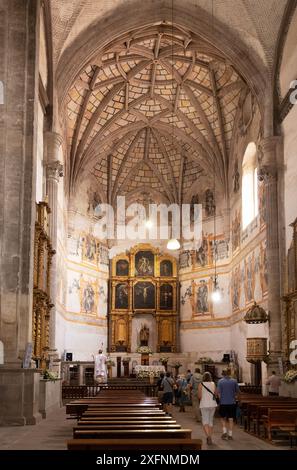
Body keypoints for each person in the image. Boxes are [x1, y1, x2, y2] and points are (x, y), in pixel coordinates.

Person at [217, 368, 240, 440]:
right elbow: (238, 391)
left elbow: (218, 393)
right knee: (231, 419)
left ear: (223, 373)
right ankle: (230, 434)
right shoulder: (234, 381)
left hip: (223, 402)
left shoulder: (220, 381)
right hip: (232, 402)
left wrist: (220, 400)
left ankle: (224, 432)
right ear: (230, 373)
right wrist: (236, 398)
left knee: (222, 418)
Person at [198, 372, 218, 446]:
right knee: (211, 421)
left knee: (205, 421)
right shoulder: (213, 384)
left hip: (204, 404)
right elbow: (216, 394)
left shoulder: (201, 384)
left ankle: (208, 437)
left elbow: (199, 396)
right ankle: (210, 436)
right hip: (212, 404)